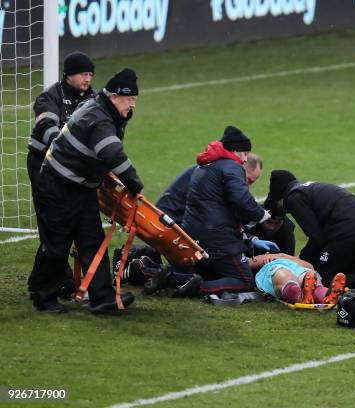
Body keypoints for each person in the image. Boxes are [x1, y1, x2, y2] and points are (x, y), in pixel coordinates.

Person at [28, 68, 144, 314]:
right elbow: (112, 153)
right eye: (130, 100)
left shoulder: (102, 111)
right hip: (59, 187)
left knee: (92, 241)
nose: (133, 105)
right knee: (57, 245)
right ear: (114, 97)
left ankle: (102, 297)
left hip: (79, 187)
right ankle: (43, 297)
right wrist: (134, 184)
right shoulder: (100, 118)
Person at [140, 126, 270, 296]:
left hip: (191, 236)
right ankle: (199, 288)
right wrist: (261, 215)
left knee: (204, 272)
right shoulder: (231, 167)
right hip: (215, 239)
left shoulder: (204, 166)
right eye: (245, 153)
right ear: (236, 151)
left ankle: (164, 275)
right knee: (244, 280)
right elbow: (241, 200)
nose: (245, 159)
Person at [27, 51, 96, 298]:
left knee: (59, 225)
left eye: (90, 74)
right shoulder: (50, 97)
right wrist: (67, 148)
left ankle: (42, 280)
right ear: (68, 74)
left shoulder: (93, 100)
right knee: (52, 223)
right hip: (43, 165)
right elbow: (46, 126)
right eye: (82, 74)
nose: (87, 79)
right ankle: (57, 281)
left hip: (70, 168)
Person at [267, 170, 355, 287]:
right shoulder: (307, 189)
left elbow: (317, 239)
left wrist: (302, 259)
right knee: (346, 270)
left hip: (347, 234)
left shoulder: (294, 198)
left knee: (320, 278)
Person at [156, 153, 263, 226]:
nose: (248, 187)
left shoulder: (213, 170)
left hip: (165, 217)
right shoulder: (215, 177)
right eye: (248, 180)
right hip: (170, 221)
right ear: (240, 168)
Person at [252, 254, 346, 304]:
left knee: (308, 275)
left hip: (294, 266)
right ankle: (306, 295)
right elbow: (247, 262)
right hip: (271, 266)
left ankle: (326, 296)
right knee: (284, 275)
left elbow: (310, 267)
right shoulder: (266, 258)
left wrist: (287, 257)